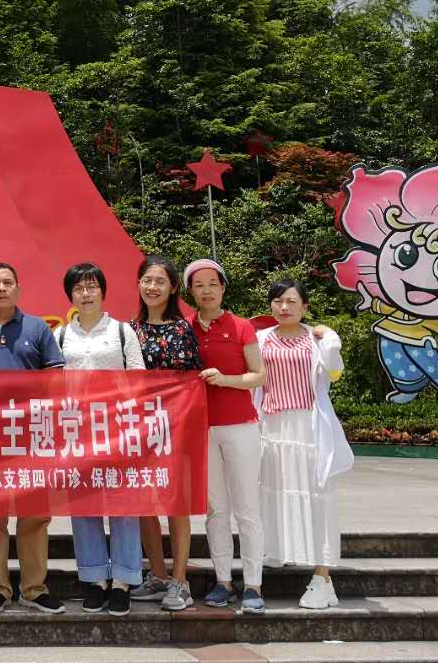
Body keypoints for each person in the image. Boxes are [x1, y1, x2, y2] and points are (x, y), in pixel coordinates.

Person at [0, 261, 65, 614]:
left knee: (35, 514)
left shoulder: (37, 327)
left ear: (18, 288)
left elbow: (55, 378)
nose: (1, 288)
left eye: (7, 282)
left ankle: (34, 588)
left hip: (32, 433)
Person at [255, 278, 353, 610]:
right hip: (271, 428)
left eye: (292, 301)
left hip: (308, 429)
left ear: (304, 306)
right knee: (274, 494)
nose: (284, 307)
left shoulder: (317, 339)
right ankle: (278, 552)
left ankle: (322, 577)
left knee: (317, 498)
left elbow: (335, 370)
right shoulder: (261, 339)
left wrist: (331, 336)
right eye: (278, 301)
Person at [56, 261, 144, 618]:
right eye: (79, 288)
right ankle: (94, 579)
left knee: (123, 505)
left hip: (118, 429)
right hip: (77, 430)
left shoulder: (122, 332)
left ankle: (123, 580)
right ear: (70, 295)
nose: (86, 293)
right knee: (84, 506)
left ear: (103, 292)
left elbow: (139, 378)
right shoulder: (61, 335)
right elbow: (52, 384)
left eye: (92, 286)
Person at [185, 258, 267, 615]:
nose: (206, 291)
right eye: (198, 285)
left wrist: (225, 380)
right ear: (190, 291)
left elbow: (259, 375)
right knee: (216, 510)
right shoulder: (185, 328)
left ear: (223, 288)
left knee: (247, 509)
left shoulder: (241, 326)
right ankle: (223, 581)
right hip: (201, 429)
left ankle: (253, 584)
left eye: (212, 284)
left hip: (240, 425)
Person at [129, 254, 202, 611]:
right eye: (147, 280)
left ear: (173, 288)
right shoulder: (129, 330)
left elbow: (191, 383)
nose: (152, 287)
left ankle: (180, 580)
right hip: (137, 427)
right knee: (144, 502)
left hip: (174, 427)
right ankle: (157, 574)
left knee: (176, 503)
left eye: (160, 281)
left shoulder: (183, 329)